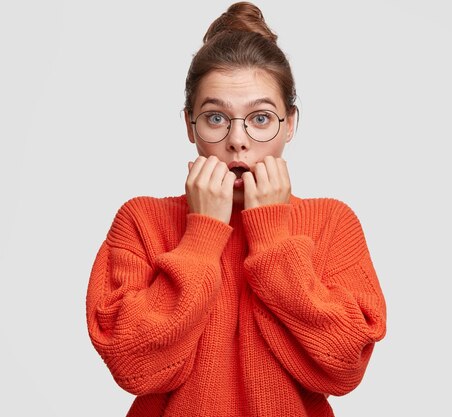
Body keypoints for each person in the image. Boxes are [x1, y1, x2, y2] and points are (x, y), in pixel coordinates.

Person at [86, 2, 386, 416]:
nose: (238, 140)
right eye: (215, 118)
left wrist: (271, 237)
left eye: (261, 118)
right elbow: (134, 367)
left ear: (290, 124)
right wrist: (202, 234)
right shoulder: (141, 221)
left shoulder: (333, 223)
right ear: (190, 124)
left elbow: (342, 366)